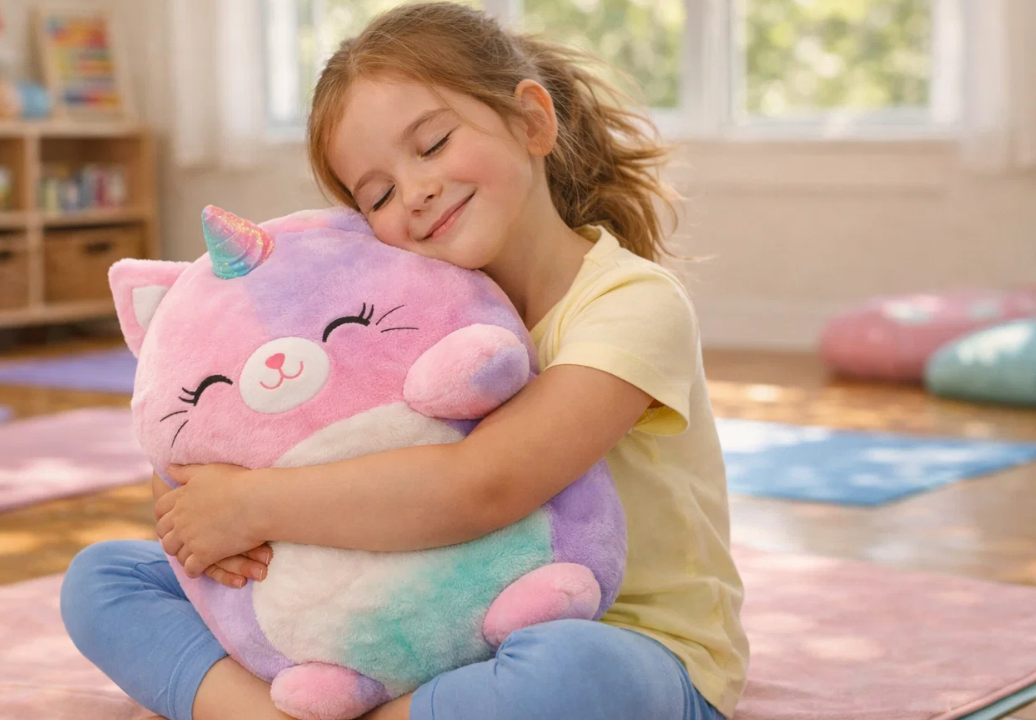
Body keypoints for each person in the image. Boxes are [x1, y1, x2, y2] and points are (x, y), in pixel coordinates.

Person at [61, 4, 747, 719]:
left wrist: (249, 504)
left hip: (624, 641)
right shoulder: (395, 304)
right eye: (378, 193)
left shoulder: (633, 302)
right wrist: (195, 513)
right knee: (104, 580)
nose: (415, 192)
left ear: (532, 122)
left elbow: (484, 486)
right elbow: (233, 432)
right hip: (418, 630)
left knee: (570, 671)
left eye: (434, 143)